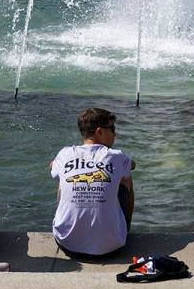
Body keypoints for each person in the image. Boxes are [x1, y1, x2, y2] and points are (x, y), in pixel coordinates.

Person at [50, 107, 135, 257]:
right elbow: (132, 165)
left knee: (64, 178)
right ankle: (123, 230)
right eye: (112, 129)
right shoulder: (117, 156)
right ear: (99, 132)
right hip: (111, 248)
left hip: (67, 244)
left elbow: (52, 166)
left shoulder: (65, 153)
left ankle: (73, 227)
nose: (115, 133)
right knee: (126, 179)